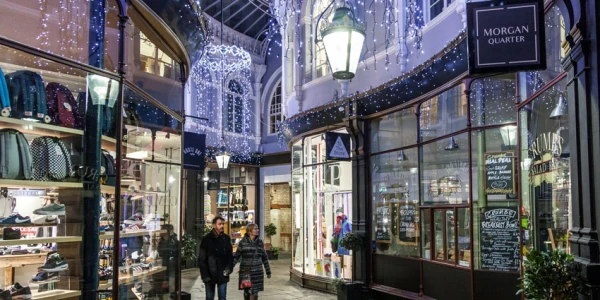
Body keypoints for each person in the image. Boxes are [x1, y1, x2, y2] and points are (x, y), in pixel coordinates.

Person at [233, 224, 271, 300]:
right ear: (250, 231)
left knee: (255, 292)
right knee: (246, 292)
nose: (258, 230)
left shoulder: (260, 243)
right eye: (255, 229)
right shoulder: (242, 242)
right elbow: (236, 256)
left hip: (257, 271)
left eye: (257, 229)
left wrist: (268, 271)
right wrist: (230, 268)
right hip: (246, 272)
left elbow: (264, 258)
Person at [198, 216, 233, 300]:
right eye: (219, 224)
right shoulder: (206, 239)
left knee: (222, 297)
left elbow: (230, 256)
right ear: (214, 225)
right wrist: (205, 275)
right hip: (209, 273)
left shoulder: (226, 238)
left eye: (223, 224)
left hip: (222, 273)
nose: (222, 226)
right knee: (209, 297)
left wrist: (228, 269)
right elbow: (202, 258)